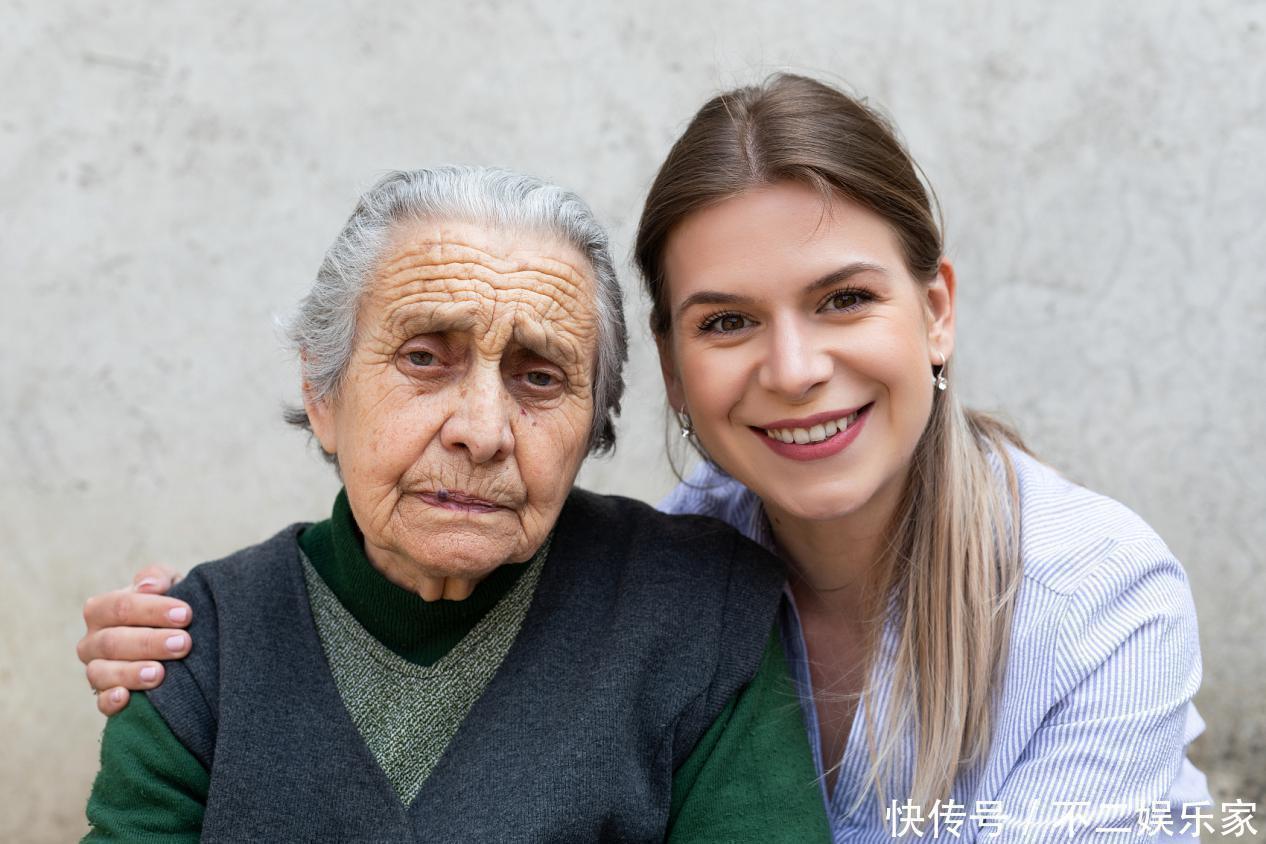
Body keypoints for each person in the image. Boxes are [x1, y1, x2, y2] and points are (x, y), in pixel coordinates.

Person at [81, 76, 1210, 840]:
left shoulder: (1096, 600)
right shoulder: (695, 549)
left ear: (938, 310)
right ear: (318, 393)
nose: (796, 365)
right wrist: (183, 647)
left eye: (846, 299)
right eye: (726, 321)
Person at [77, 165, 830, 842]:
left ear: (592, 423)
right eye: (425, 358)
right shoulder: (189, 650)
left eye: (540, 377)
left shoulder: (699, 615)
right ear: (322, 392)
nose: (482, 432)